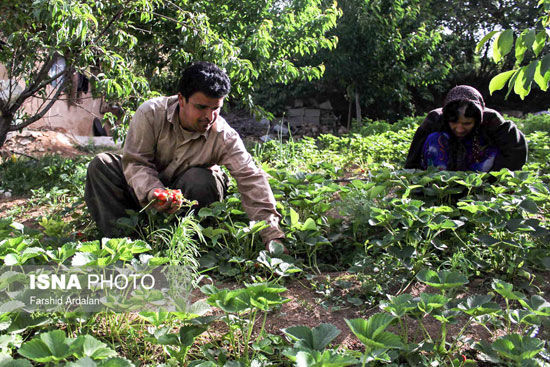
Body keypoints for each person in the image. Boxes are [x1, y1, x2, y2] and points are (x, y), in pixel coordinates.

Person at [85, 61, 285, 248]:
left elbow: (250, 177)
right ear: (181, 99)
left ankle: (190, 243)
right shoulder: (150, 113)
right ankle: (125, 243)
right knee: (101, 165)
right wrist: (153, 191)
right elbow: (136, 162)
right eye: (201, 107)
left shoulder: (224, 135)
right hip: (143, 195)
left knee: (202, 179)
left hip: (191, 198)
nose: (209, 116)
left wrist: (272, 235)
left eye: (216, 108)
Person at [405, 85, 527, 172]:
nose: (459, 129)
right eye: (454, 122)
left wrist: (496, 179)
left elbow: (515, 150)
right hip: (443, 170)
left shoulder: (492, 120)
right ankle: (439, 184)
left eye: (467, 123)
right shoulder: (435, 119)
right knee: (434, 139)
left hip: (479, 173)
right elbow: (414, 156)